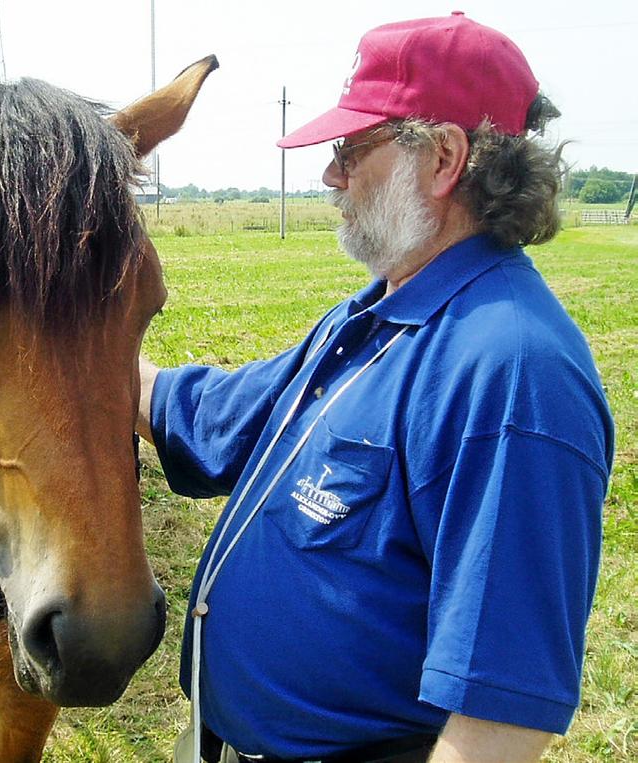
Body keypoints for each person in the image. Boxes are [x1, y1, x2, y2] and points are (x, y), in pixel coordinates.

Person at [139, 13, 614, 763]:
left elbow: (500, 721)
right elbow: (217, 416)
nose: (331, 174)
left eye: (353, 148)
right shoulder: (377, 313)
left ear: (445, 158)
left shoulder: (514, 374)